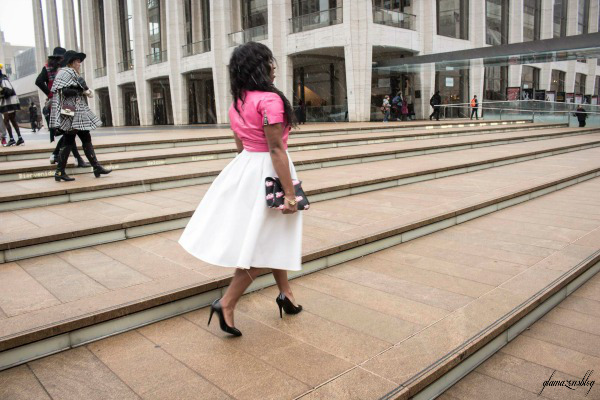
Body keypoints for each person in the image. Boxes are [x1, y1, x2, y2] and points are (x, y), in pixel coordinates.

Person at [179, 42, 303, 337]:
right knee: (262, 244)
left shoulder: (239, 100)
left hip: (245, 167)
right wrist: (289, 193)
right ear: (261, 67)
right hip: (269, 170)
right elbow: (275, 149)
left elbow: (240, 144)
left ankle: (286, 293)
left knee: (270, 235)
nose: (275, 69)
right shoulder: (270, 101)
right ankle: (227, 302)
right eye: (270, 63)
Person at [50, 50, 111, 182]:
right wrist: (82, 90)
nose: (79, 64)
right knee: (68, 138)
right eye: (78, 61)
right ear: (71, 62)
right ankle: (60, 171)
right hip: (69, 109)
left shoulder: (69, 73)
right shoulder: (65, 72)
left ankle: (96, 166)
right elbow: (65, 91)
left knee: (85, 135)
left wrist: (83, 90)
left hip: (74, 108)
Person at [36, 47, 89, 167]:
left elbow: (39, 81)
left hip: (59, 103)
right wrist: (52, 94)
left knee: (69, 131)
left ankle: (56, 155)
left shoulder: (48, 68)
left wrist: (50, 94)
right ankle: (75, 159)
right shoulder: (65, 70)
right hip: (66, 103)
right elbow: (38, 81)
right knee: (70, 130)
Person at [0, 64, 24, 146]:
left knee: (6, 120)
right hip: (11, 102)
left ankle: (11, 139)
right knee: (12, 120)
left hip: (8, 102)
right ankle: (19, 138)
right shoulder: (4, 78)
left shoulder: (2, 79)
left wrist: (1, 94)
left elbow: (7, 90)